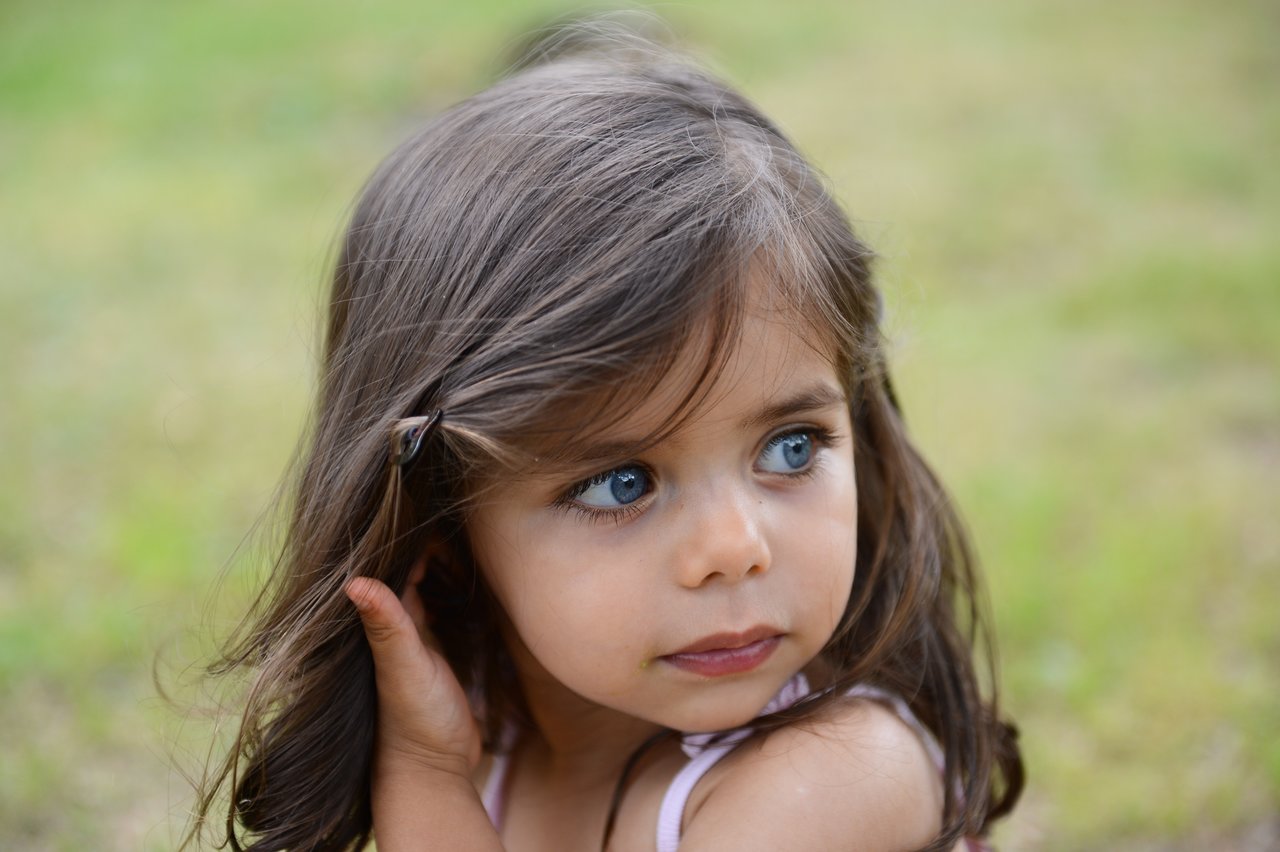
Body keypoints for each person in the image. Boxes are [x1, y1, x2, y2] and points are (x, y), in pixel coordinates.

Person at [187, 17, 1023, 852]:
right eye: (622, 482)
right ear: (444, 523)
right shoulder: (490, 733)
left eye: (790, 448)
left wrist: (426, 782)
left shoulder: (833, 782)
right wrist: (424, 762)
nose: (736, 549)